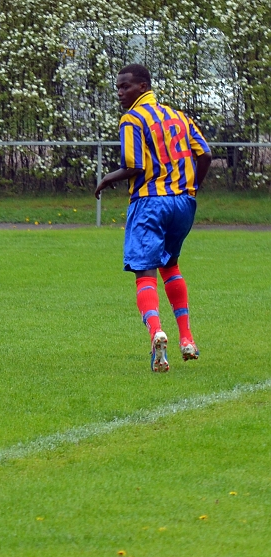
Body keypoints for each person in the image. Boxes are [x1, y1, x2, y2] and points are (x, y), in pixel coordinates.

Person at [95, 64, 212, 373]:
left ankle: (156, 333)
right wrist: (192, 189)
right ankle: (186, 338)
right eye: (118, 87)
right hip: (183, 204)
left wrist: (107, 179)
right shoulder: (179, 117)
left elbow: (133, 166)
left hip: (150, 203)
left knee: (144, 272)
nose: (120, 92)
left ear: (144, 86)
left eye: (126, 86)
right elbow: (206, 154)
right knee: (170, 265)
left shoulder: (132, 118)